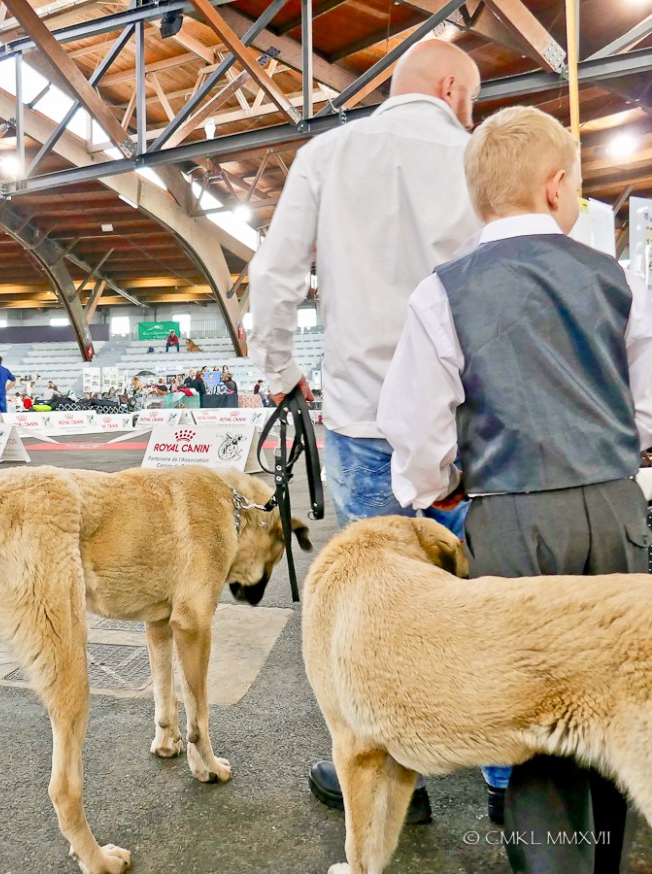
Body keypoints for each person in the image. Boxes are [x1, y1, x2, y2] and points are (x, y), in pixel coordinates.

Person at [377, 105, 652, 874]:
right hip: (617, 509)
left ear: (478, 198)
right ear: (558, 186)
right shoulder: (617, 278)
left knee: (538, 721)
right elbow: (647, 405)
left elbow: (418, 432)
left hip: (513, 519)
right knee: (625, 711)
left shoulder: (444, 292)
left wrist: (436, 492)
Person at [247, 38, 482, 819]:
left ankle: (388, 783)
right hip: (469, 422)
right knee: (486, 594)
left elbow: (274, 274)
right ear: (451, 87)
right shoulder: (477, 153)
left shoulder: (328, 152)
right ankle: (506, 778)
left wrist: (281, 373)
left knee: (375, 612)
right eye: (470, 99)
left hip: (363, 417)